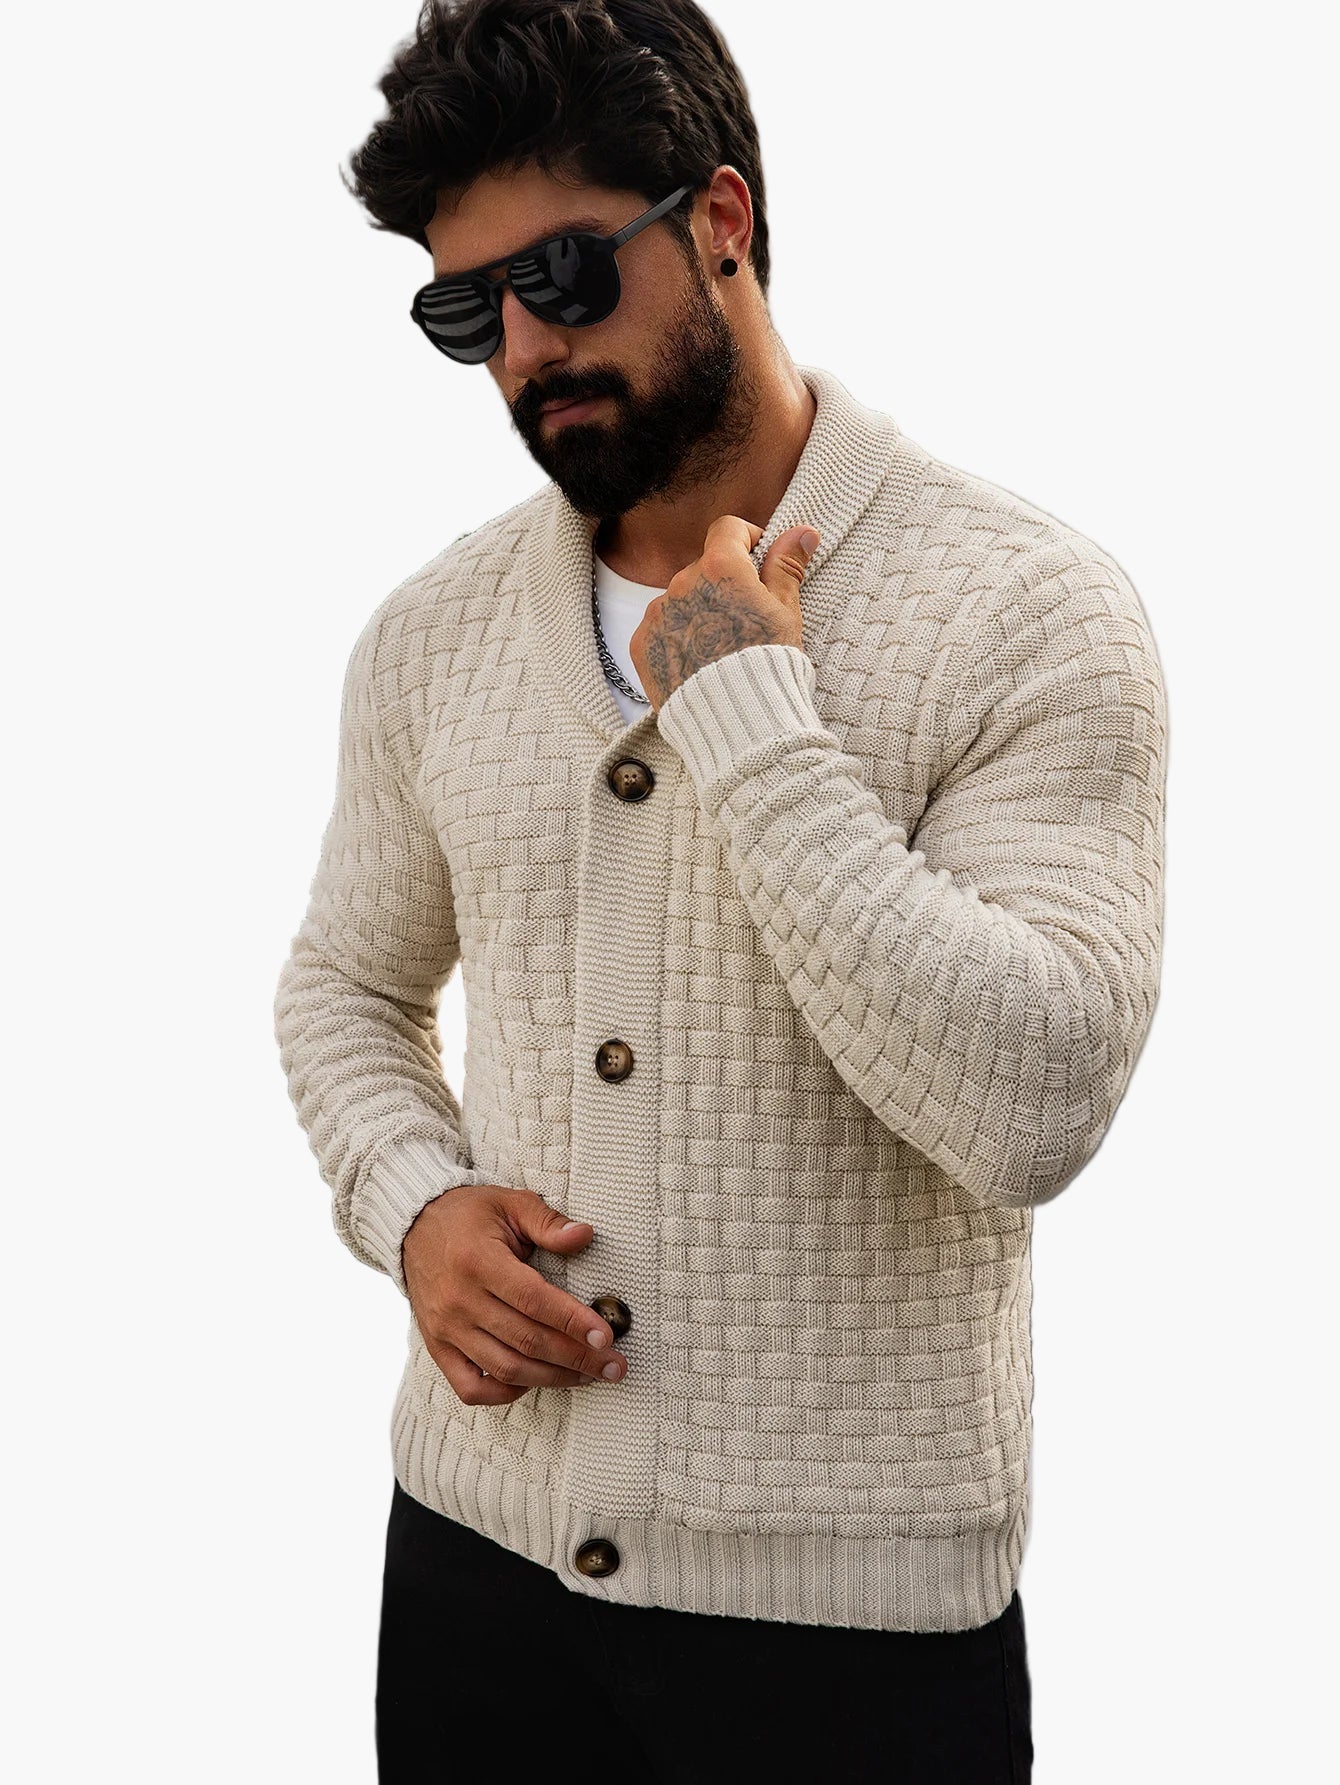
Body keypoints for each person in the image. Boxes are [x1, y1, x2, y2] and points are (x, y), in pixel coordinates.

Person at [273, 2, 1167, 1779]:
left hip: (853, 1652)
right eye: (469, 312)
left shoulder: (1032, 610)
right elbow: (346, 990)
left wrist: (753, 714)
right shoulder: (430, 636)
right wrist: (414, 1206)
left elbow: (1036, 1101)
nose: (526, 349)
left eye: (565, 274)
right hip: (472, 1586)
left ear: (723, 221)